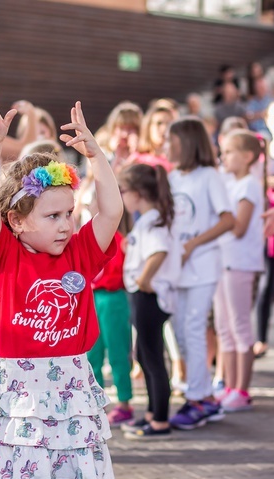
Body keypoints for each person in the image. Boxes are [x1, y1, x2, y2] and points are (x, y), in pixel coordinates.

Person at [0, 90, 120, 479]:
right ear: (16, 222)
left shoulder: (80, 253)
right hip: (16, 396)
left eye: (69, 214)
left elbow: (111, 212)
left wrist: (96, 156)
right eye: (52, 216)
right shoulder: (0, 256)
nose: (65, 225)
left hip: (70, 392)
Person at [167, 117, 235, 430]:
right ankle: (205, 394)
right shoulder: (171, 178)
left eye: (174, 142)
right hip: (177, 267)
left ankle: (196, 399)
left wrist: (194, 243)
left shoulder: (209, 176)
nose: (169, 147)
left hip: (203, 263)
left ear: (188, 143)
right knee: (180, 331)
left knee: (193, 328)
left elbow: (227, 220)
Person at [118, 163, 180, 439]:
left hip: (148, 296)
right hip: (143, 295)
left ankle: (160, 420)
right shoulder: (148, 219)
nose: (121, 196)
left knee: (152, 357)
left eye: (123, 191)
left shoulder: (153, 220)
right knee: (145, 354)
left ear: (139, 193)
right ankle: (154, 413)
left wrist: (144, 281)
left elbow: (159, 252)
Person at [214, 130, 264, 412]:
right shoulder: (230, 183)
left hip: (240, 262)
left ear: (247, 156)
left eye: (230, 151)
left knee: (240, 326)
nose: (224, 156)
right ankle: (230, 386)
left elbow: (239, 225)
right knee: (225, 328)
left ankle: (242, 390)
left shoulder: (249, 185)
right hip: (223, 261)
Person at [88, 222, 134, 428]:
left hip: (113, 296)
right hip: (92, 297)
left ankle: (124, 403)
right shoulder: (87, 236)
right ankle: (95, 404)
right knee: (92, 355)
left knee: (117, 351)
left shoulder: (119, 240)